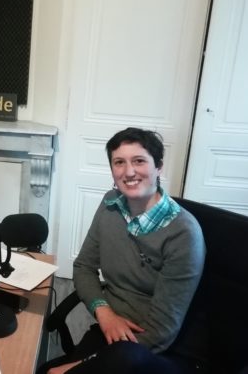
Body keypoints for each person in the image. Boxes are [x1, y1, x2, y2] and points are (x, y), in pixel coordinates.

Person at [39, 127, 206, 374]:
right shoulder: (111, 204)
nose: (128, 172)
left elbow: (161, 332)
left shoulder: (184, 234)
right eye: (119, 162)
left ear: (159, 167)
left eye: (139, 161)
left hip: (151, 349)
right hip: (110, 329)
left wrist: (81, 365)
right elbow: (84, 267)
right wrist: (104, 312)